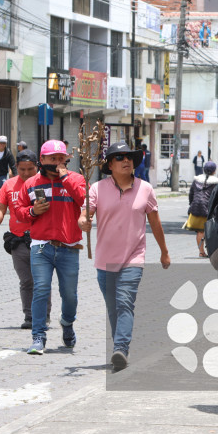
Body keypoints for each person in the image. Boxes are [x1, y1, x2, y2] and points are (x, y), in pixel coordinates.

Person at [78, 142, 171, 371]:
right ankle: (120, 347)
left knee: (125, 303)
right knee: (113, 308)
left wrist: (164, 252)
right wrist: (84, 223)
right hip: (105, 260)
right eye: (119, 157)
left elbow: (155, 223)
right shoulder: (97, 189)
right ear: (110, 164)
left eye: (129, 157)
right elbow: (84, 216)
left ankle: (121, 348)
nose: (126, 161)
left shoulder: (145, 189)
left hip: (133, 258)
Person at [15, 140, 87, 355]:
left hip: (69, 247)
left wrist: (66, 179)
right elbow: (18, 210)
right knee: (41, 290)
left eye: (61, 158)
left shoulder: (76, 179)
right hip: (40, 247)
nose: (57, 162)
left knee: (70, 295)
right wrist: (32, 212)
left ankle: (67, 323)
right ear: (42, 160)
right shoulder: (31, 184)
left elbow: (86, 201)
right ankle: (38, 337)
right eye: (52, 158)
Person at [0, 149, 50, 328]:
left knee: (41, 280)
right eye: (22, 169)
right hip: (18, 241)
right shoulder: (9, 186)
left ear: (37, 167)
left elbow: (43, 208)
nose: (26, 173)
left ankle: (43, 315)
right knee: (26, 280)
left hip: (40, 240)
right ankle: (29, 316)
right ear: (15, 169)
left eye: (30, 169)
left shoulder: (40, 185)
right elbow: (0, 208)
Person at [185, 161, 218, 257]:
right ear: (214, 171)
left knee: (200, 231)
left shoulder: (197, 180)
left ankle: (201, 252)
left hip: (196, 207)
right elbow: (217, 197)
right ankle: (211, 252)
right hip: (208, 208)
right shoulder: (216, 182)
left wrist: (191, 205)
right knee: (211, 231)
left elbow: (191, 194)